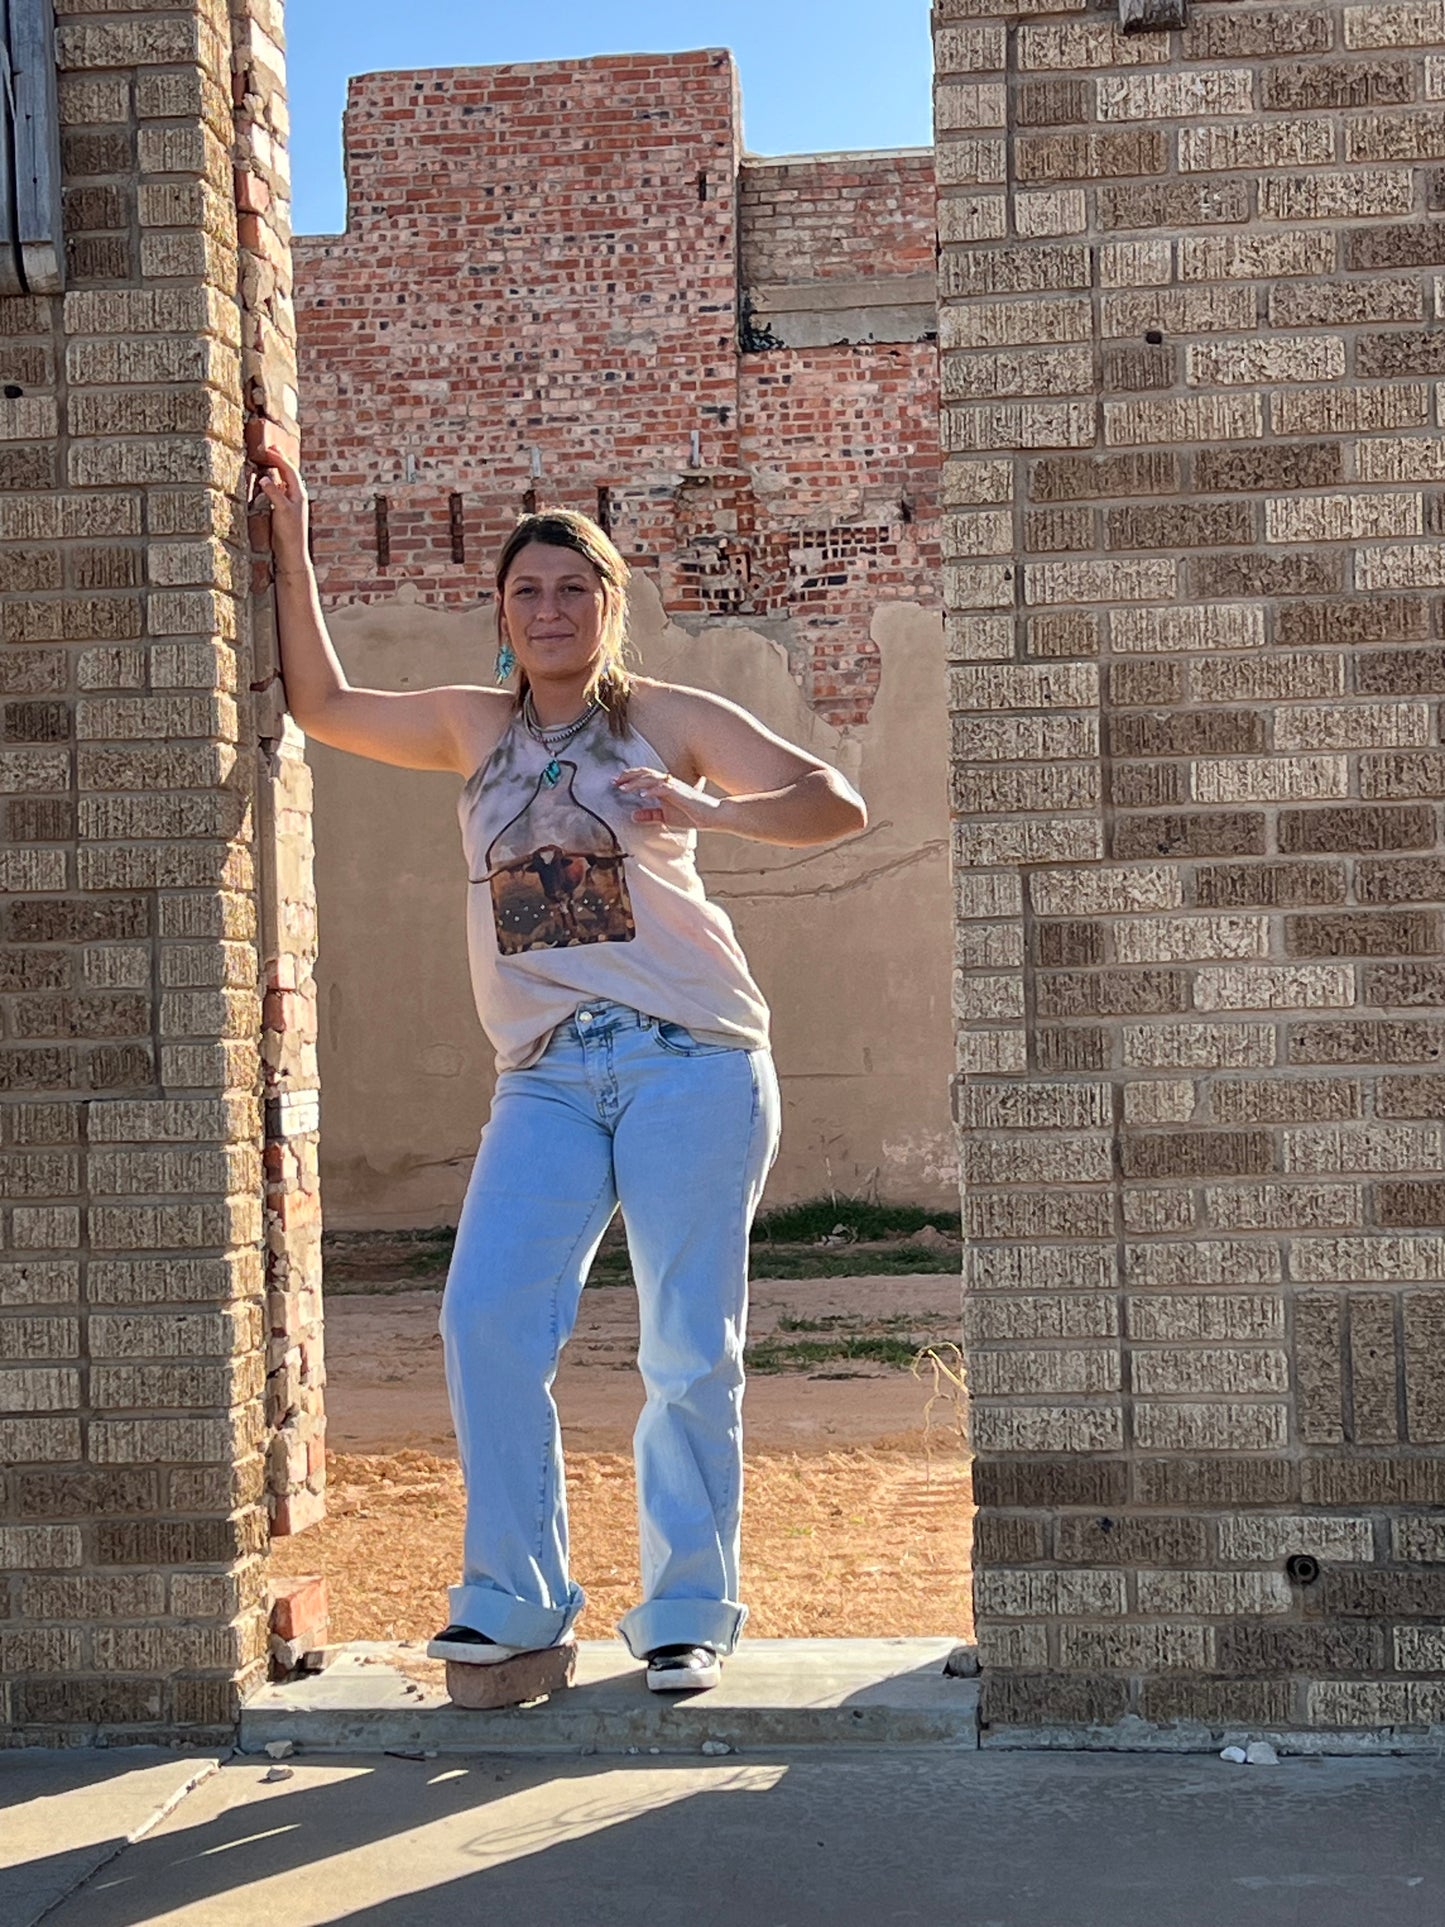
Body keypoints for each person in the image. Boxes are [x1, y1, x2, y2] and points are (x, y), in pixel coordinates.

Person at [258, 450, 867, 1692]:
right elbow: (319, 703)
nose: (549, 611)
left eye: (573, 591)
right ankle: (514, 1602)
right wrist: (291, 543)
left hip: (687, 1061)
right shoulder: (467, 728)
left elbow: (833, 800)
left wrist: (708, 815)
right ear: (500, 611)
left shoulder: (667, 721)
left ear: (608, 608)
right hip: (540, 1075)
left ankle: (687, 1609)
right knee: (485, 1318)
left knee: (686, 1346)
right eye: (527, 591)